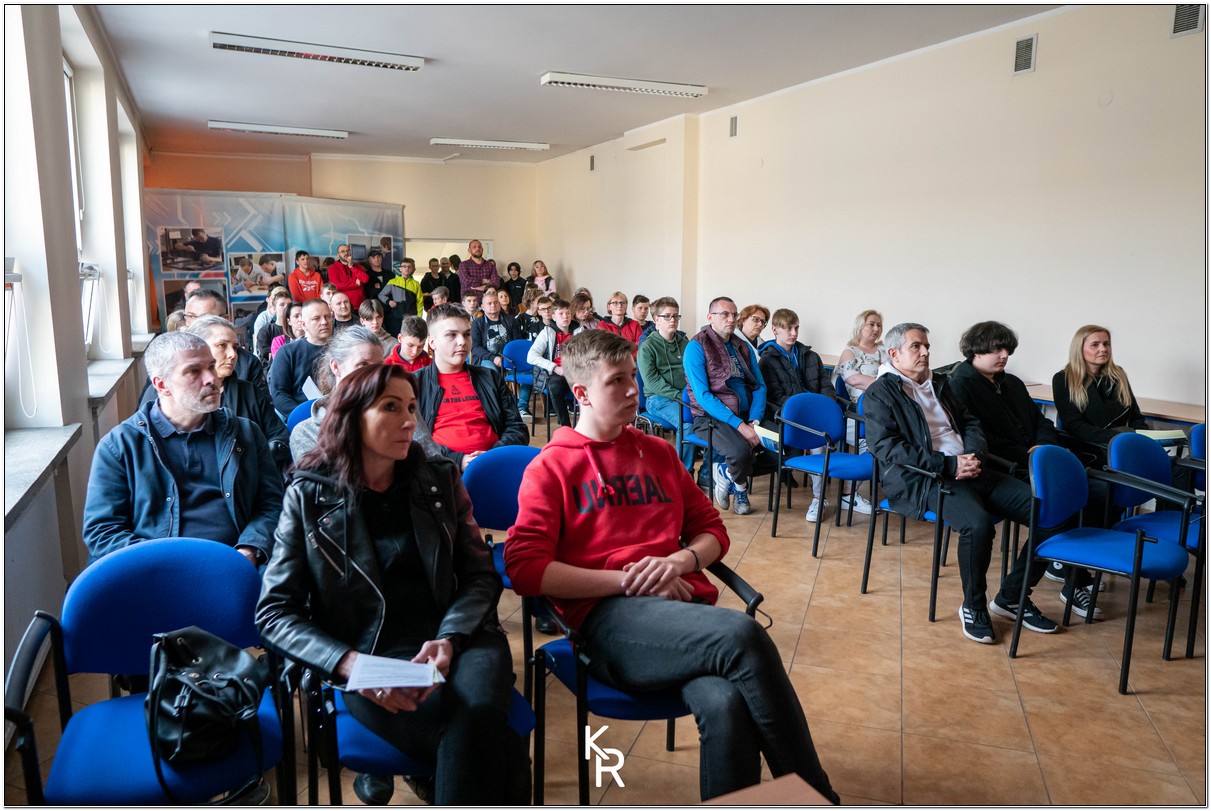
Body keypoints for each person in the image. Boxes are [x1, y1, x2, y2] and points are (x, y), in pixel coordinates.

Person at [504, 329, 839, 804]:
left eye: (633, 377)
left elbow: (712, 531)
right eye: (616, 381)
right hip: (606, 624)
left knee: (725, 702)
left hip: (683, 616)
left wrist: (679, 561)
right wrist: (632, 581)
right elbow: (525, 569)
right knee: (742, 634)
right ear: (581, 394)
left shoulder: (658, 453)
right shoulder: (550, 468)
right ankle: (815, 797)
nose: (633, 390)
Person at [257, 363, 531, 806]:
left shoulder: (438, 479)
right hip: (370, 653)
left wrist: (449, 638)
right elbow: (274, 613)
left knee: (477, 716)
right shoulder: (310, 495)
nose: (409, 421)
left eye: (411, 407)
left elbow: (479, 574)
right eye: (390, 407)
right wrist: (348, 665)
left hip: (461, 637)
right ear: (351, 416)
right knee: (490, 741)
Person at [864, 322, 1056, 644]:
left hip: (971, 468)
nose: (925, 352)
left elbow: (969, 421)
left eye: (927, 346)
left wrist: (974, 455)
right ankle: (974, 606)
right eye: (916, 346)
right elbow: (886, 447)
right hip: (925, 478)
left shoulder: (941, 382)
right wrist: (948, 464)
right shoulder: (880, 393)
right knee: (978, 525)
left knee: (1049, 512)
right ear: (894, 354)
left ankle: (1012, 596)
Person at [83, 331, 283, 566]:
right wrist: (172, 565)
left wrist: (250, 548)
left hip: (235, 565)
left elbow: (271, 503)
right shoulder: (120, 446)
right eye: (194, 371)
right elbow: (103, 531)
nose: (211, 379)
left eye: (211, 366)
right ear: (162, 385)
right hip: (156, 572)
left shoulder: (245, 434)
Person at [948, 321, 1103, 618]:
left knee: (1095, 495)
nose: (1004, 355)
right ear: (975, 351)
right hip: (1002, 467)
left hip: (1035, 461)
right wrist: (1026, 454)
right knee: (1060, 509)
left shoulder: (1012, 383)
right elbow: (977, 439)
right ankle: (1028, 591)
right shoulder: (959, 385)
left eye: (1007, 350)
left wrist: (1042, 447)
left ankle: (1069, 576)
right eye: (997, 349)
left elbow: (1040, 421)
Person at [758, 308, 870, 522]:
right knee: (819, 442)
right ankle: (819, 498)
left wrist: (826, 410)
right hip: (796, 420)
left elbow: (827, 387)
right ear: (775, 330)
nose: (793, 333)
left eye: (796, 328)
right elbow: (776, 398)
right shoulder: (767, 361)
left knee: (867, 437)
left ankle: (849, 494)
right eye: (788, 328)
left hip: (826, 416)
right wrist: (810, 413)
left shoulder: (810, 356)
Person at [290, 325, 439, 460]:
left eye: (378, 367)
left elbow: (434, 462)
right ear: (336, 367)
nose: (375, 376)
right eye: (363, 365)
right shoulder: (307, 433)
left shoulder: (401, 407)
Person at [684, 296, 771, 516]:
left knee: (786, 447)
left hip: (747, 414)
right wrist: (741, 426)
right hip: (711, 417)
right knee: (740, 452)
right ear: (710, 317)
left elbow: (759, 386)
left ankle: (725, 472)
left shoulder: (742, 346)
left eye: (734, 314)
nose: (731, 319)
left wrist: (754, 420)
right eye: (724, 314)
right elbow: (703, 396)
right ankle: (741, 487)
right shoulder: (696, 346)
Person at [415, 304, 529, 470]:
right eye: (451, 335)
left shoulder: (490, 378)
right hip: (439, 471)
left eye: (466, 334)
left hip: (493, 466)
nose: (462, 342)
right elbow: (414, 441)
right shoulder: (414, 384)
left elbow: (517, 428)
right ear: (432, 342)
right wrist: (458, 460)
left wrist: (491, 456)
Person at [1052, 324, 1148, 467]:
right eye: (1095, 345)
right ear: (1079, 349)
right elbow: (1075, 426)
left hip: (1123, 445)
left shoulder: (1118, 375)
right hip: (1089, 449)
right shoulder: (1064, 379)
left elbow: (1135, 417)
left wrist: (1145, 439)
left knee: (1169, 466)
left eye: (1106, 344)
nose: (1103, 349)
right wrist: (1120, 439)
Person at [636, 296, 694, 471]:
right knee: (687, 425)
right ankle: (682, 473)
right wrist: (681, 397)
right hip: (658, 399)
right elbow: (652, 383)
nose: (673, 320)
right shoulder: (647, 347)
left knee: (714, 421)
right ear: (656, 320)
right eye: (667, 316)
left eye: (675, 316)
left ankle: (707, 474)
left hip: (685, 397)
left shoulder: (686, 344)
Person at [182, 289, 269, 402]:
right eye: (190, 316)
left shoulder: (248, 364)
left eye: (204, 318)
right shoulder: (172, 365)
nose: (195, 324)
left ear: (224, 319)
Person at [471, 285, 530, 422]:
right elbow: (475, 347)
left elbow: (517, 343)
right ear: (483, 307)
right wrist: (494, 358)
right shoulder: (478, 323)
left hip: (510, 359)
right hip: (488, 358)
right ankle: (498, 407)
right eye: (489, 303)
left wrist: (510, 359)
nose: (493, 305)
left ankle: (522, 407)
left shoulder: (510, 320)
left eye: (495, 302)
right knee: (490, 372)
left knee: (528, 371)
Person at [269, 298, 333, 417]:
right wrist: (303, 417)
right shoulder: (287, 352)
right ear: (304, 325)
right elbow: (279, 394)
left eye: (328, 317)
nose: (324, 322)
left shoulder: (342, 349)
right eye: (316, 318)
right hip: (302, 416)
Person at [527, 298, 577, 428]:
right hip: (558, 372)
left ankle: (589, 427)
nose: (565, 316)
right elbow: (531, 356)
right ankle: (566, 427)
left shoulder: (579, 331)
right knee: (554, 387)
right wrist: (554, 368)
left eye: (568, 313)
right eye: (561, 313)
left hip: (577, 372)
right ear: (553, 316)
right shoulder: (547, 332)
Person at [832, 309, 889, 406]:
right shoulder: (850, 352)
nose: (876, 329)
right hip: (866, 404)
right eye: (871, 324)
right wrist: (890, 387)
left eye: (879, 325)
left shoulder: (885, 349)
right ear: (860, 327)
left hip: (889, 399)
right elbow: (854, 380)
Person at [380, 256, 423, 337]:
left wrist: (419, 317)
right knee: (395, 338)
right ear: (400, 269)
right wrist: (389, 301)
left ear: (412, 269)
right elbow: (381, 295)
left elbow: (419, 302)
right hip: (395, 318)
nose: (407, 268)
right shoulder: (392, 282)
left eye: (409, 267)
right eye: (404, 266)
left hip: (410, 318)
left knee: (409, 338)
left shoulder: (416, 284)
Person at [255, 288, 294, 365]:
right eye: (282, 305)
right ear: (274, 308)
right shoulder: (266, 331)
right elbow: (267, 356)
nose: (286, 307)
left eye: (289, 305)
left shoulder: (296, 329)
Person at [457, 240, 498, 305]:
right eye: (474, 247)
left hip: (487, 303)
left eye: (479, 247)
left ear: (482, 249)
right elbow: (465, 280)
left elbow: (496, 283)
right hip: (469, 304)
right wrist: (484, 281)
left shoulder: (490, 265)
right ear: (469, 250)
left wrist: (477, 287)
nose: (477, 249)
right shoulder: (463, 265)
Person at [328, 244, 369, 309]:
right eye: (343, 251)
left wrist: (352, 268)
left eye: (348, 250)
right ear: (338, 254)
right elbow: (336, 286)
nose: (346, 253)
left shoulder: (357, 266)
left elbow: (365, 279)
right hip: (343, 305)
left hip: (359, 305)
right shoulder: (333, 268)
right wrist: (355, 284)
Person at [361, 248, 394, 314]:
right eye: (373, 257)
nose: (376, 259)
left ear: (381, 259)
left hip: (390, 308)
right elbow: (371, 293)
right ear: (369, 260)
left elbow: (394, 290)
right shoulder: (366, 276)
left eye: (378, 257)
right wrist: (385, 287)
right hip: (374, 309)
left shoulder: (390, 274)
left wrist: (380, 286)